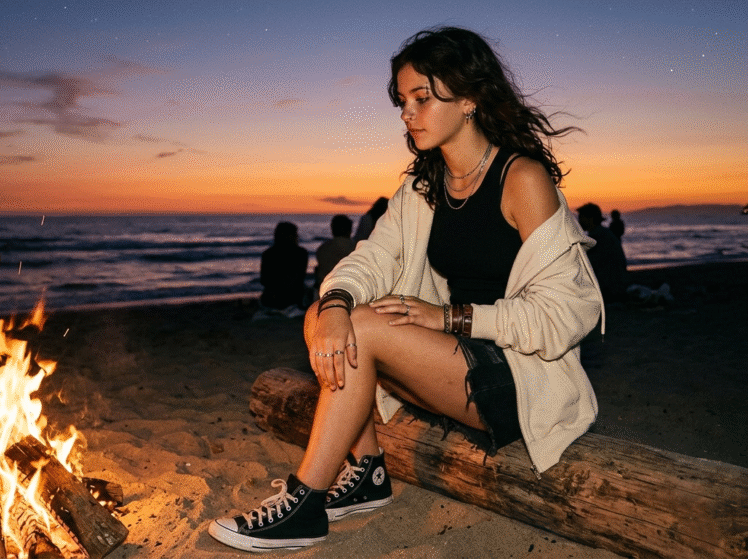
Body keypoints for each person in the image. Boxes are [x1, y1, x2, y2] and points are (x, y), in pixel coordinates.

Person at [210, 26, 604, 552]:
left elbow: (567, 314)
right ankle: (369, 469)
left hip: (514, 373)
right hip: (447, 362)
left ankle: (305, 503)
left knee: (362, 326)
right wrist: (332, 305)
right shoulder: (424, 187)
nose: (406, 113)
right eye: (402, 100)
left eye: (422, 97)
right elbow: (371, 258)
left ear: (468, 98)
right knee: (327, 314)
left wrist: (451, 318)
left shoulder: (521, 179)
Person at [578, 203, 628, 303]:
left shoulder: (597, 237)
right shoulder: (604, 233)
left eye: (581, 218)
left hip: (609, 291)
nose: (578, 221)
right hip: (616, 287)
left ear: (590, 218)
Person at [258, 221, 309, 314]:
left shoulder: (267, 254)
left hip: (270, 299)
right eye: (295, 234)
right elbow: (300, 278)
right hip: (293, 298)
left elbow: (263, 280)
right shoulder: (301, 253)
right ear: (292, 236)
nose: (297, 236)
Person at [313, 214, 355, 298]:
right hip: (347, 290)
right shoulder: (355, 247)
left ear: (332, 229)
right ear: (349, 229)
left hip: (323, 290)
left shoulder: (322, 248)